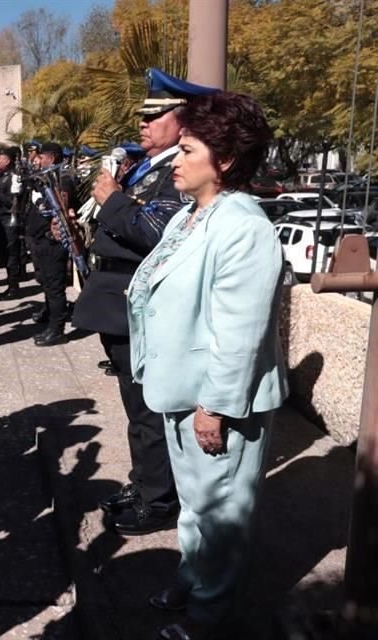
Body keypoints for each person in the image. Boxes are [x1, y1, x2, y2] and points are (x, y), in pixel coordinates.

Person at [127, 90, 287, 640]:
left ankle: (210, 617)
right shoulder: (194, 217)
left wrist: (214, 407)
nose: (175, 158)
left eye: (188, 148)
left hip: (215, 400)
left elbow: (240, 334)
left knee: (220, 515)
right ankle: (194, 581)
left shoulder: (243, 226)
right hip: (180, 389)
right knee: (195, 505)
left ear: (224, 160)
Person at [71, 69, 218, 536]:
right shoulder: (149, 168)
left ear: (184, 121)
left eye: (155, 116)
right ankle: (146, 482)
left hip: (140, 303)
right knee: (138, 409)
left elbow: (155, 233)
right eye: (142, 116)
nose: (143, 124)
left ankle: (158, 499)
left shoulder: (178, 171)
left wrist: (113, 200)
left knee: (149, 409)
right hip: (117, 301)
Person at [27, 142, 74, 346]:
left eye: (42, 156)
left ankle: (57, 329)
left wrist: (40, 203)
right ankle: (50, 316)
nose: (38, 160)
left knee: (55, 286)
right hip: (41, 239)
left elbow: (61, 208)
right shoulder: (47, 178)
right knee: (47, 282)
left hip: (52, 240)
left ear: (52, 158)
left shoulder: (62, 179)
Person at [0, 146, 24, 298]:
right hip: (1, 219)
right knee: (5, 252)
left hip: (9, 219)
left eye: (0, 159)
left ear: (8, 160)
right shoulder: (0, 175)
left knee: (12, 254)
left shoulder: (13, 177)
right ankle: (10, 284)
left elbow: (13, 203)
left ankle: (14, 287)